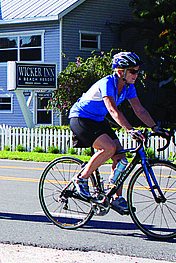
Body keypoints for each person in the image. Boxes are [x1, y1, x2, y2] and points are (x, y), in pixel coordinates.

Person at [69, 51, 164, 214]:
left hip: (97, 119)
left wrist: (156, 128)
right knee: (109, 148)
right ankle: (81, 178)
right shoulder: (107, 83)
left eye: (137, 71)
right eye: (133, 71)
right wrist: (130, 130)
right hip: (80, 118)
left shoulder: (129, 87)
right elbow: (113, 110)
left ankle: (114, 197)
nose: (136, 74)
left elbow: (139, 110)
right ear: (120, 71)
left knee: (120, 157)